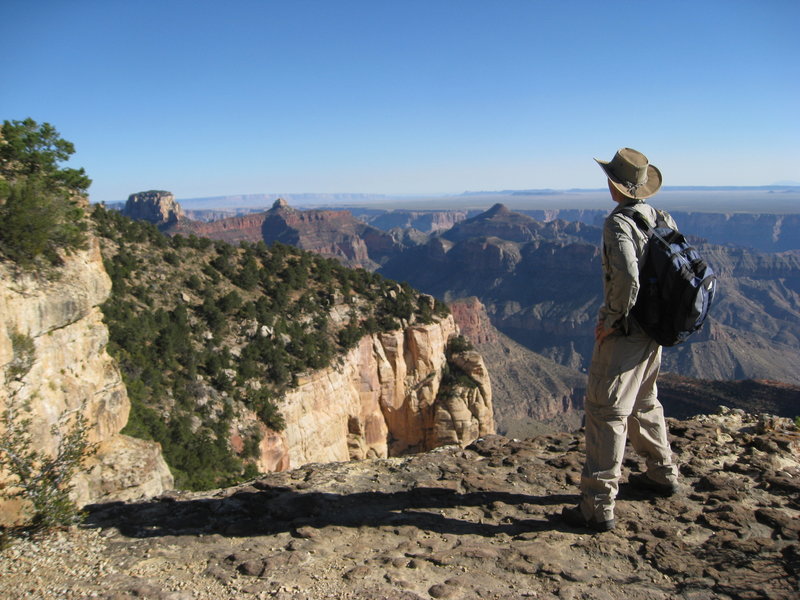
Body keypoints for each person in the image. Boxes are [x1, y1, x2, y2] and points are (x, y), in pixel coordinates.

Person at [561, 148, 680, 532]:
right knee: (644, 401)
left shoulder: (618, 223)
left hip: (628, 332)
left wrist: (612, 320)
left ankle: (596, 506)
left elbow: (628, 277)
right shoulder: (659, 216)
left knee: (606, 412)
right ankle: (662, 474)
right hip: (655, 330)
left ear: (617, 186)